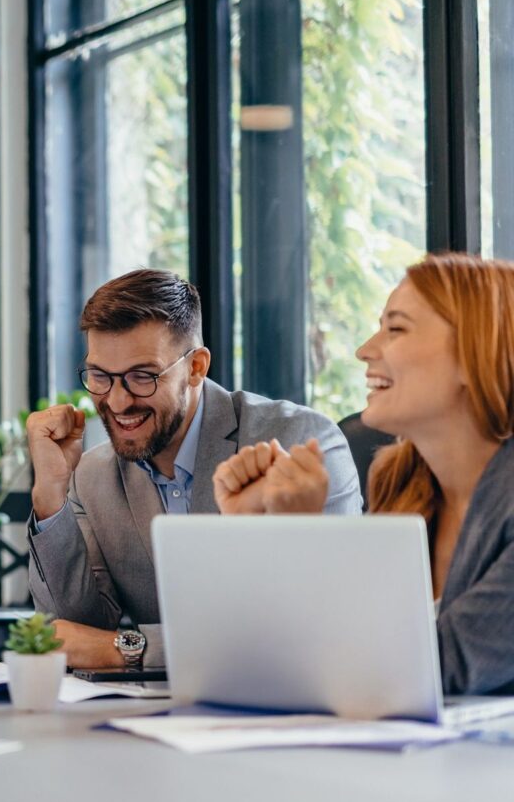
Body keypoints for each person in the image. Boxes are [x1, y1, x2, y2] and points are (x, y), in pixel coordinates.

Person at [26, 269, 362, 669]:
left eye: (142, 377)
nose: (117, 402)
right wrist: (51, 495)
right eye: (100, 376)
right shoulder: (92, 475)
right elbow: (76, 634)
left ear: (196, 367)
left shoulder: (297, 443)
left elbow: (326, 628)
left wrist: (128, 649)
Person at [215, 253, 514, 694]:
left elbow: (433, 668)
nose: (364, 350)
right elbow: (282, 658)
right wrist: (256, 531)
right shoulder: (401, 483)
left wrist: (301, 536)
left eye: (396, 329)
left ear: (476, 351)